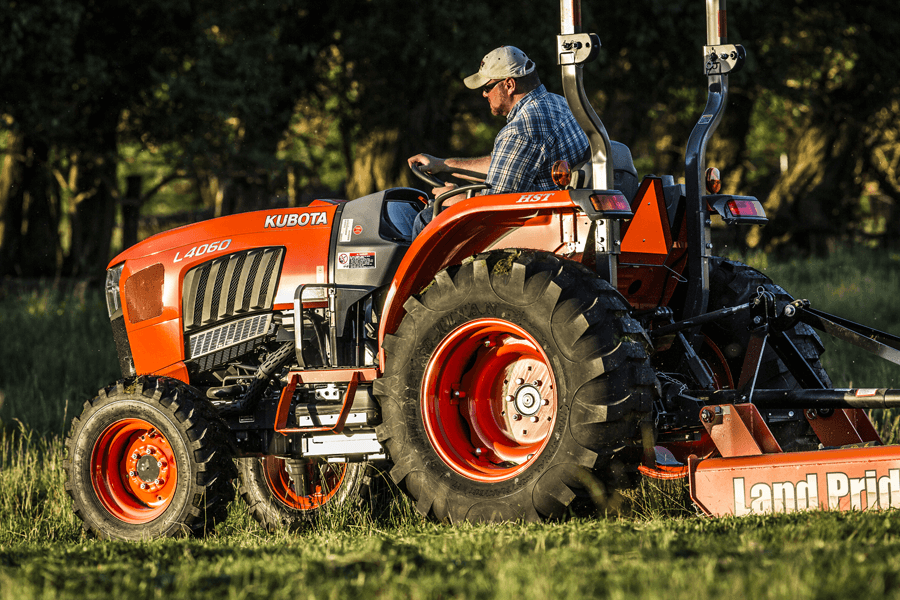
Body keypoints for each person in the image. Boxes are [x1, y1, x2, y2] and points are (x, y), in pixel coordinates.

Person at [408, 45, 589, 235]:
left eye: (487, 87)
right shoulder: (559, 103)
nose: (484, 94)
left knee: (426, 219)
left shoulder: (521, 129)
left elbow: (497, 203)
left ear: (509, 85)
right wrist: (444, 164)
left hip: (534, 225)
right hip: (561, 214)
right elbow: (505, 165)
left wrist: (457, 198)